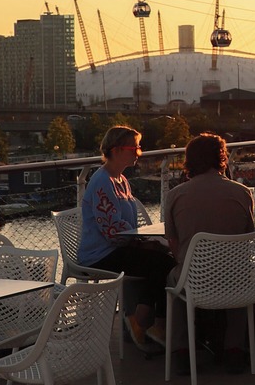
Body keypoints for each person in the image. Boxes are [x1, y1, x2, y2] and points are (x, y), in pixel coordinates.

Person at [162, 133, 255, 374]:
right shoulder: (243, 193)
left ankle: (181, 351)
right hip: (235, 279)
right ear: (222, 158)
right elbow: (248, 237)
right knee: (238, 272)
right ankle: (235, 349)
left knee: (175, 279)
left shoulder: (175, 195)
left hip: (195, 278)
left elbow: (173, 243)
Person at [78, 126, 175, 352]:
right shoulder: (103, 182)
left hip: (116, 248)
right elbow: (112, 231)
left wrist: (143, 242)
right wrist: (141, 243)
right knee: (163, 263)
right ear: (118, 149)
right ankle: (142, 320)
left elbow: (123, 228)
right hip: (100, 254)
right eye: (135, 147)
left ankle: (145, 320)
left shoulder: (120, 180)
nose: (139, 152)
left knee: (166, 256)